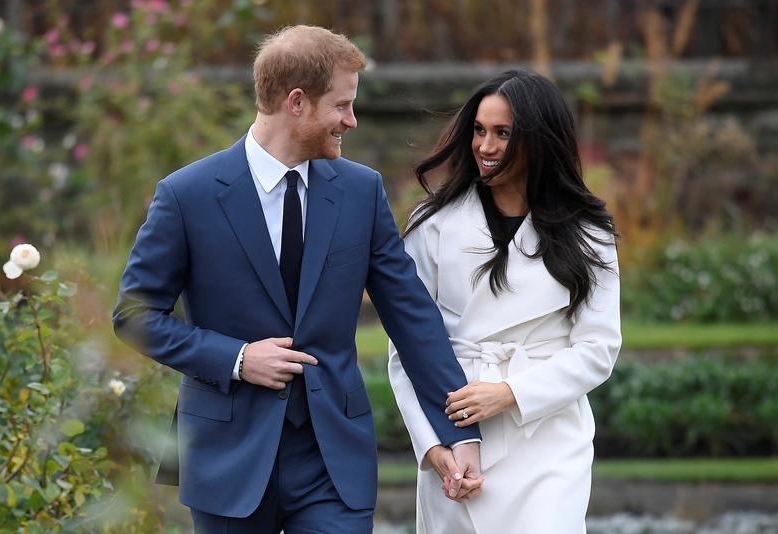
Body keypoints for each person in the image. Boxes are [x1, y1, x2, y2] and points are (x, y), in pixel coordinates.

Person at [113, 25, 481, 533]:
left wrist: (460, 431)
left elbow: (413, 316)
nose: (351, 120)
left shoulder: (360, 190)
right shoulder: (187, 195)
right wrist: (238, 359)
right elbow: (134, 316)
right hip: (228, 458)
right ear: (297, 102)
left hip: (333, 461)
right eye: (342, 106)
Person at [388, 69, 622, 533]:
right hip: (455, 433)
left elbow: (599, 350)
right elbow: (407, 346)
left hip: (547, 440)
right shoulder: (432, 225)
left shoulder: (588, 232)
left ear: (538, 140)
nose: (485, 146)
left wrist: (512, 394)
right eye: (478, 130)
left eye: (502, 133)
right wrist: (431, 443)